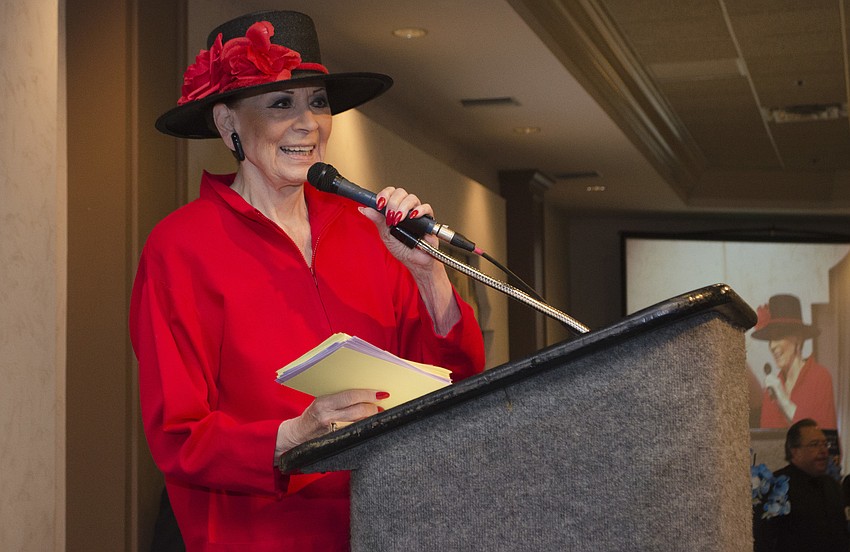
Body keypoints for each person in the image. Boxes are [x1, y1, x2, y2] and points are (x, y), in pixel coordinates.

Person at [130, 10, 485, 551]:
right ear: (227, 124)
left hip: (387, 529)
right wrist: (293, 436)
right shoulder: (179, 247)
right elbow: (178, 436)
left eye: (318, 101)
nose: (309, 124)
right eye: (281, 104)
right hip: (255, 537)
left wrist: (428, 273)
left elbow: (452, 382)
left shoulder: (369, 230)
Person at [754, 419, 849, 552]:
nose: (823, 451)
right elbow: (764, 538)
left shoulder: (832, 485)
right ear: (795, 452)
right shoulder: (777, 486)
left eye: (824, 444)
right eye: (814, 444)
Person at [752, 294, 837, 430]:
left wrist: (783, 399)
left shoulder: (820, 377)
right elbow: (766, 444)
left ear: (798, 338)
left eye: (778, 336)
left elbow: (823, 438)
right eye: (770, 339)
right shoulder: (771, 390)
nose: (772, 346)